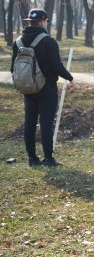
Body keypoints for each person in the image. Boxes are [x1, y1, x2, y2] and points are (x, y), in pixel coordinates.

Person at [10, 9, 77, 167]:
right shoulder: (48, 41)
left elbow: (13, 68)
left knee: (29, 123)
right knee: (46, 123)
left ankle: (32, 159)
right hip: (46, 89)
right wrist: (71, 78)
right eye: (46, 21)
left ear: (31, 22)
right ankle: (48, 158)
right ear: (42, 22)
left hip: (27, 89)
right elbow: (56, 66)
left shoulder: (18, 42)